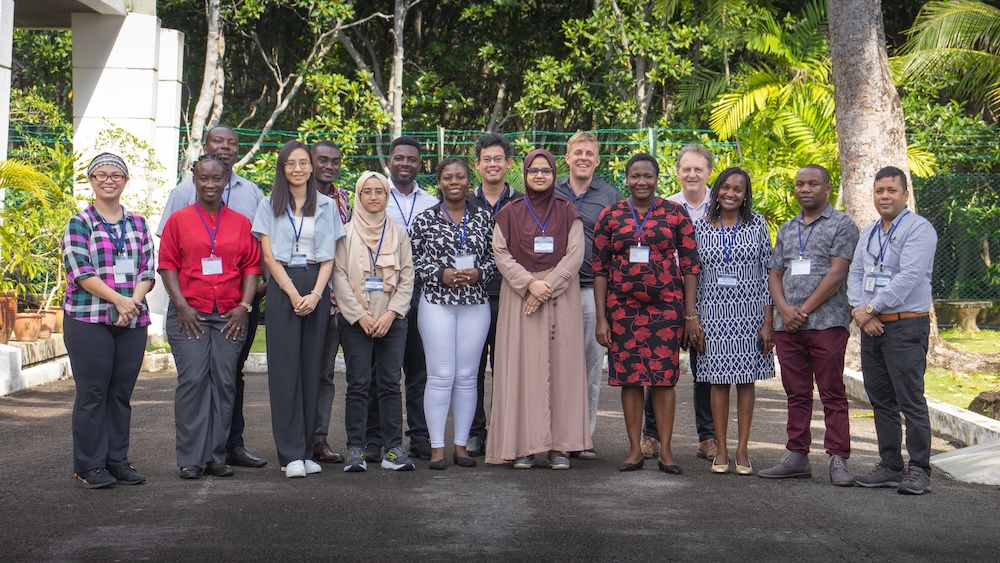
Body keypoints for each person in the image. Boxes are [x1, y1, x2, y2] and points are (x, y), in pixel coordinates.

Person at [158, 125, 268, 469]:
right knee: (192, 382)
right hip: (189, 313)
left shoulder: (239, 221)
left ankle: (216, 456)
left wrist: (244, 307)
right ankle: (191, 459)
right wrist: (181, 306)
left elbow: (251, 267)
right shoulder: (179, 219)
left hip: (230, 316)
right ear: (194, 180)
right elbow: (166, 265)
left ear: (225, 181)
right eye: (203, 178)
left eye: (216, 179)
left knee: (224, 382)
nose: (210, 184)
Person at [593, 153, 701, 474]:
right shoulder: (610, 215)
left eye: (648, 176)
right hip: (622, 309)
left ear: (657, 178)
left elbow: (691, 266)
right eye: (635, 176)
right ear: (626, 179)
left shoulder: (675, 213)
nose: (642, 182)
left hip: (667, 308)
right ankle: (633, 450)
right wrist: (601, 318)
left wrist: (690, 315)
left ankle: (666, 451)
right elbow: (599, 268)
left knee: (664, 379)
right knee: (630, 379)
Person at [485, 148, 590, 470]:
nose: (540, 175)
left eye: (546, 170)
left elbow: (575, 254)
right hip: (521, 297)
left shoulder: (567, 210)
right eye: (534, 171)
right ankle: (523, 446)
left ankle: (561, 446)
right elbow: (500, 253)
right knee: (522, 371)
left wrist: (546, 286)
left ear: (554, 173)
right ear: (526, 174)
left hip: (560, 296)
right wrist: (529, 284)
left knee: (563, 370)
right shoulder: (510, 212)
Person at [759, 165, 859, 486]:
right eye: (800, 184)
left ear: (828, 187)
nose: (805, 189)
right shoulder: (787, 229)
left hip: (827, 324)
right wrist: (785, 312)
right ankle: (797, 456)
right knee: (796, 393)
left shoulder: (842, 225)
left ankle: (838, 457)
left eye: (813, 184)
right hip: (789, 328)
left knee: (832, 392)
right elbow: (775, 273)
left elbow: (838, 272)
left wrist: (802, 310)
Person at [252, 140, 346, 478]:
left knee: (311, 372)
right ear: (282, 167)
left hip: (316, 287)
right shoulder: (269, 204)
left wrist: (317, 294)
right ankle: (289, 453)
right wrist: (293, 293)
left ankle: (307, 450)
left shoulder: (326, 206)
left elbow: (330, 257)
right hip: (283, 287)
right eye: (291, 163)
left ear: (311, 167)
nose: (298, 168)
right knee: (285, 372)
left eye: (303, 162)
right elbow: (268, 256)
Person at [62, 153, 156, 488]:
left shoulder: (138, 223)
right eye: (100, 174)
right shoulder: (80, 222)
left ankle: (117, 461)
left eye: (116, 175)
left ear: (125, 181)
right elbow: (81, 271)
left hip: (131, 319)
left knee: (120, 393)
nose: (108, 180)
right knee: (93, 392)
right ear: (91, 180)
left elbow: (148, 269)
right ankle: (89, 466)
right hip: (88, 319)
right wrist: (119, 300)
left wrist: (132, 303)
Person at [848, 166, 938, 495]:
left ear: (905, 194)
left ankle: (919, 469)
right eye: (879, 190)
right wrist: (862, 312)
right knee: (881, 399)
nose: (884, 196)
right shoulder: (870, 231)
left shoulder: (919, 229)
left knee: (910, 399)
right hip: (873, 328)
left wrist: (871, 308)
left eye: (891, 190)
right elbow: (856, 273)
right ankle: (890, 465)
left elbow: (909, 277)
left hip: (906, 325)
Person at [411, 158, 496, 469]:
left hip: (475, 304)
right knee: (440, 375)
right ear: (440, 181)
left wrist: (478, 274)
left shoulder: (485, 219)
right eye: (448, 177)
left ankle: (461, 446)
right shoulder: (424, 219)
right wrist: (441, 274)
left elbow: (495, 258)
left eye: (460, 176)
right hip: (436, 303)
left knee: (466, 377)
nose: (454, 182)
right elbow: (414, 258)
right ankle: (436, 447)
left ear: (468, 180)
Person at [693, 167, 775, 475]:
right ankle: (721, 448)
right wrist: (693, 318)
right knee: (717, 381)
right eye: (725, 187)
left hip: (750, 314)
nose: (731, 193)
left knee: (744, 381)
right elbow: (693, 276)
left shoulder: (757, 225)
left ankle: (742, 448)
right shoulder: (699, 227)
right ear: (716, 190)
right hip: (712, 313)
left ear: (745, 195)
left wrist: (769, 321)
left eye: (738, 189)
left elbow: (769, 273)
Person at [333, 171, 416, 472]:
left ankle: (393, 449)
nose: (373, 197)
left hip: (391, 320)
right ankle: (356, 448)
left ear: (386, 195)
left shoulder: (398, 233)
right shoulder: (344, 232)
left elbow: (407, 276)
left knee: (390, 384)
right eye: (366, 191)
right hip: (356, 321)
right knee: (357, 384)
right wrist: (361, 316)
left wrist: (391, 314)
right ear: (358, 195)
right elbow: (339, 277)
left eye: (379, 191)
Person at [642, 144, 719, 461]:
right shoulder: (666, 207)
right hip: (670, 297)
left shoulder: (722, 205)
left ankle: (708, 437)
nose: (691, 174)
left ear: (709, 173)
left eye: (698, 169)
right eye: (686, 169)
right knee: (659, 367)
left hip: (714, 297)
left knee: (707, 368)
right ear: (677, 172)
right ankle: (651, 436)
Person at [365, 135, 438, 463]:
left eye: (411, 159)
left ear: (420, 164)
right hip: (381, 291)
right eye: (399, 158)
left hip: (422, 290)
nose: (405, 163)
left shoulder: (431, 201)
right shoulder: (375, 195)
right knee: (379, 371)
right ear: (389, 162)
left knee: (419, 369)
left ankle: (420, 436)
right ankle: (374, 437)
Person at [554, 131, 622, 459]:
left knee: (591, 367)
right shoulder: (550, 190)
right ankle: (555, 437)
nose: (583, 157)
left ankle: (583, 437)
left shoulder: (610, 195)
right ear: (566, 157)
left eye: (589, 153)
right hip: (554, 292)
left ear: (597, 160)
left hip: (592, 293)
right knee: (555, 366)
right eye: (577, 152)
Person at [467, 133, 522, 457]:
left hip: (510, 296)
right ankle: (476, 431)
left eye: (497, 159)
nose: (492, 164)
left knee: (507, 367)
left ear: (508, 164)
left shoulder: (520, 202)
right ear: (477, 165)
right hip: (472, 297)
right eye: (486, 159)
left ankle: (505, 432)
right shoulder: (465, 201)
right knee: (473, 368)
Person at [311, 140, 350, 464]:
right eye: (322, 160)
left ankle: (318, 440)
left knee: (325, 374)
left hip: (334, 300)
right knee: (297, 373)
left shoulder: (344, 199)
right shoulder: (294, 197)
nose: (329, 165)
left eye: (335, 161)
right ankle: (295, 437)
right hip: (299, 298)